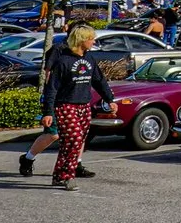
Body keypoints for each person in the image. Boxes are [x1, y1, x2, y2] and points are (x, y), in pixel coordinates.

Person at [24, 27, 114, 189]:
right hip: (65, 105)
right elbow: (52, 88)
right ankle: (67, 176)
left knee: (74, 143)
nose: (94, 42)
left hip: (84, 105)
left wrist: (109, 99)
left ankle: (59, 175)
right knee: (74, 140)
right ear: (81, 40)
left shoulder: (90, 59)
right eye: (91, 38)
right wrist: (48, 112)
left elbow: (99, 81)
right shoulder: (63, 61)